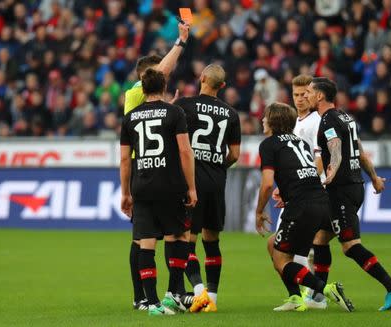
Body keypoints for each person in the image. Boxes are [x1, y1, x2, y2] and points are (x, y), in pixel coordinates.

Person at [305, 77, 391, 311]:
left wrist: (330, 173)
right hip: (354, 185)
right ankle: (318, 295)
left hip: (340, 191)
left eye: (310, 92)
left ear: (320, 96)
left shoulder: (328, 120)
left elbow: (336, 149)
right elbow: (359, 151)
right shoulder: (345, 117)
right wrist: (373, 177)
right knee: (320, 239)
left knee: (350, 246)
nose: (307, 95)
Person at [256, 102, 354, 312]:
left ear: (273, 121)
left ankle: (326, 289)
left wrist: (259, 211)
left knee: (281, 260)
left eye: (265, 117)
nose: (262, 120)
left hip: (301, 206)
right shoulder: (299, 142)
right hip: (320, 203)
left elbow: (266, 183)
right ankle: (295, 298)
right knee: (273, 245)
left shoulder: (269, 144)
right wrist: (286, 192)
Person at [120, 69, 197, 316]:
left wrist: (125, 193)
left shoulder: (130, 117)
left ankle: (152, 303)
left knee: (146, 242)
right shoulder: (175, 112)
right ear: (164, 87)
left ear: (142, 90)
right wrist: (191, 186)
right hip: (170, 184)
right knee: (179, 236)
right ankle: (173, 293)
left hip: (141, 185)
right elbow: (185, 151)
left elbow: (124, 160)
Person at [174, 64, 241, 312]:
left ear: (201, 78)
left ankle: (200, 293)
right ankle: (213, 297)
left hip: (191, 181)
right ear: (222, 86)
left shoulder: (185, 106)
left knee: (187, 241)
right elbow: (234, 154)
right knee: (211, 240)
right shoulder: (231, 114)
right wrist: (217, 165)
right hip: (216, 181)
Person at [266, 74, 327, 311]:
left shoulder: (315, 121)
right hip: (295, 193)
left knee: (289, 248)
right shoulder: (295, 123)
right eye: (296, 95)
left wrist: (300, 180)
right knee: (282, 247)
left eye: (304, 95)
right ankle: (303, 296)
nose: (300, 99)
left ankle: (313, 295)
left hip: (307, 193)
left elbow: (319, 157)